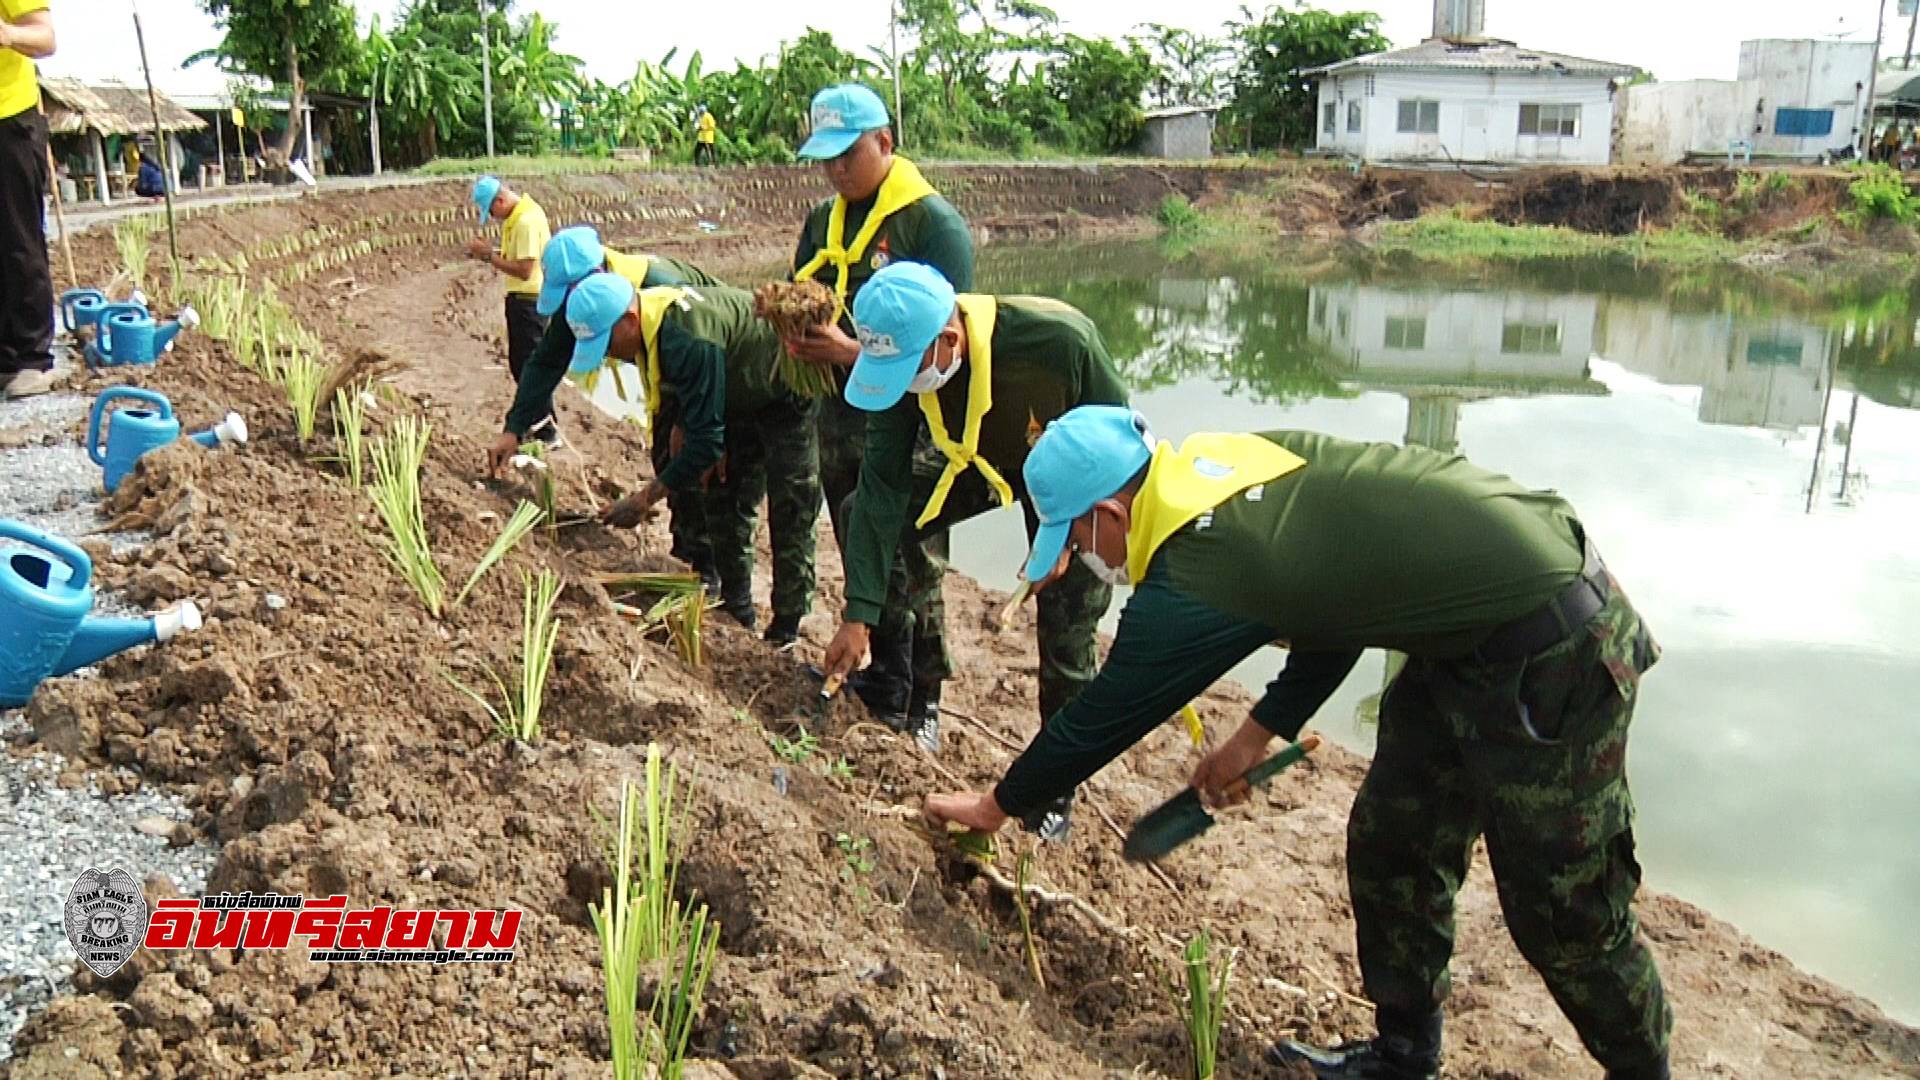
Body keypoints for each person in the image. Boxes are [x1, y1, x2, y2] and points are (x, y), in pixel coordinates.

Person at [926, 406, 1673, 1080]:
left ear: (1111, 512)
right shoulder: (1225, 465)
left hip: (1552, 637)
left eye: (1076, 538)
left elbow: (1100, 722)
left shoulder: (1193, 573)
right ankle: (1406, 1054)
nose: (1085, 559)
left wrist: (996, 804)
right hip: (1459, 637)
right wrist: (1255, 736)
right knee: (1394, 840)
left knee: (1563, 909)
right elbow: (1337, 598)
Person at [820, 263, 1126, 824]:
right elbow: (882, 489)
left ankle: (1053, 791)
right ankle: (920, 692)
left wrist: (1067, 539)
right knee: (868, 514)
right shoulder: (907, 374)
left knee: (1067, 621)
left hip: (1074, 477)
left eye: (908, 367)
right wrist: (857, 612)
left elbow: (1121, 445)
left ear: (949, 340)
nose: (901, 383)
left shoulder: (1060, 342)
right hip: (971, 457)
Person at [492, 263, 822, 641]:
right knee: (721, 495)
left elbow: (705, 439)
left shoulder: (686, 335)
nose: (609, 357)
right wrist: (515, 427)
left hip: (783, 390)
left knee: (790, 504)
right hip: (729, 386)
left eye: (607, 345)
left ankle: (785, 630)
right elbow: (550, 361)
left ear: (630, 320)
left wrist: (643, 498)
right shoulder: (634, 319)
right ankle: (737, 610)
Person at [785, 82, 974, 733]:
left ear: (885, 142)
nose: (835, 169)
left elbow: (954, 344)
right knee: (858, 535)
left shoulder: (930, 226)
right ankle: (883, 674)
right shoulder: (822, 223)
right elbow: (806, 288)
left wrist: (849, 351)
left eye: (848, 153)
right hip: (839, 417)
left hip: (914, 421)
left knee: (913, 555)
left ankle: (923, 700)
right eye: (826, 157)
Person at [489, 225, 731, 594]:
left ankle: (708, 571)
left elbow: (713, 356)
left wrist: (701, 425)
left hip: (717, 370)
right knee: (669, 452)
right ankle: (686, 556)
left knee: (697, 458)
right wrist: (514, 427)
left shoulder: (658, 289)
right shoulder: (589, 301)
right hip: (671, 373)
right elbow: (546, 361)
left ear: (597, 274)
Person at [467, 175, 555, 444]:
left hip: (530, 302)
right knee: (523, 365)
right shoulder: (517, 218)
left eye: (492, 211)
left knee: (531, 367)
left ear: (501, 200)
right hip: (521, 301)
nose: (493, 217)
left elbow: (526, 270)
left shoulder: (526, 221)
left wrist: (488, 256)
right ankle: (536, 424)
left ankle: (546, 430)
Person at [0, 0, 55, 401]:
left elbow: (45, 36)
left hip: (9, 118)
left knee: (18, 241)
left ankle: (31, 359)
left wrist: (9, 35)